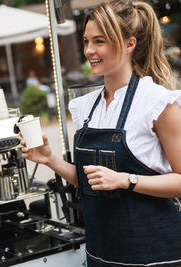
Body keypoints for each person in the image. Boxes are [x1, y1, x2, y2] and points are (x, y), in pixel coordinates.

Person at [21, 0, 181, 266]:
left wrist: (126, 180)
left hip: (155, 255)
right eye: (85, 41)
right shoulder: (86, 107)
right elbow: (91, 182)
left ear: (129, 44)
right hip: (102, 254)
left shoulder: (157, 103)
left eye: (99, 41)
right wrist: (50, 160)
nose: (89, 50)